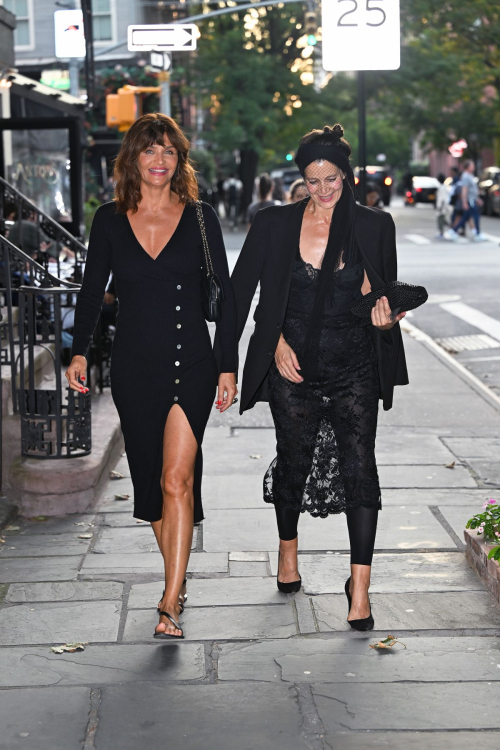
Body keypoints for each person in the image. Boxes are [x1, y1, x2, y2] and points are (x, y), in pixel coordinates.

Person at [65, 113, 238, 640]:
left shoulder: (202, 218)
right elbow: (93, 293)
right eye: (149, 150)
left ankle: (169, 600)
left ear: (178, 159)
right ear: (132, 159)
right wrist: (78, 354)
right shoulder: (109, 220)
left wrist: (228, 364)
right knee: (152, 487)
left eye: (168, 151)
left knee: (176, 479)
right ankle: (177, 579)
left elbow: (227, 298)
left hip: (194, 363)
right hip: (135, 368)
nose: (159, 160)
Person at [231, 124, 408, 631]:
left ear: (347, 176)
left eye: (333, 179)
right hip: (294, 364)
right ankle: (288, 552)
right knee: (294, 461)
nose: (325, 190)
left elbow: (384, 295)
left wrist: (386, 312)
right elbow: (246, 294)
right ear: (302, 180)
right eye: (314, 180)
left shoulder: (375, 225)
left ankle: (361, 592)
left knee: (360, 468)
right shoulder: (274, 224)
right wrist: (271, 345)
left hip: (354, 365)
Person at [446, 160, 487, 242]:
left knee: (466, 217)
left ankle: (453, 230)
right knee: (475, 216)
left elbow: (472, 190)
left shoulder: (469, 175)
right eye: (472, 165)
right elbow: (464, 190)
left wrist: (477, 199)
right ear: (468, 167)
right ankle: (477, 233)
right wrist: (464, 202)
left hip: (472, 199)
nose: (473, 167)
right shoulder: (466, 176)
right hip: (470, 200)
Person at [435, 173, 451, 239]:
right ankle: (452, 228)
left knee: (440, 221)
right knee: (443, 220)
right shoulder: (443, 187)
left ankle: (442, 233)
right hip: (442, 206)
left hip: (442, 207)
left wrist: (440, 207)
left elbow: (443, 199)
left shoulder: (442, 188)